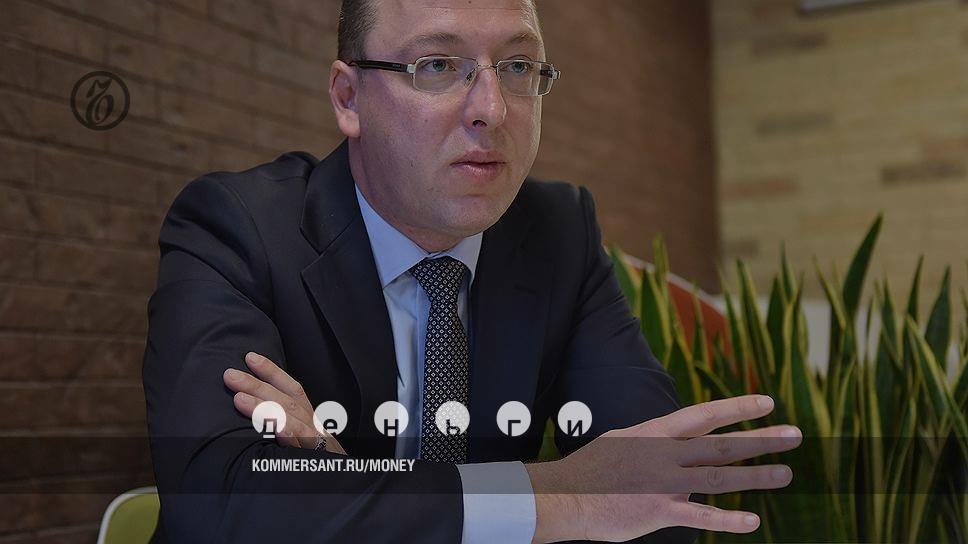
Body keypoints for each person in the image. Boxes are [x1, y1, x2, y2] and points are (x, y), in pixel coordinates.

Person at [141, 0, 803, 542]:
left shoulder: (558, 233)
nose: (493, 107)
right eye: (437, 65)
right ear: (349, 98)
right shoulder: (239, 229)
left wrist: (343, 479)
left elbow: (656, 499)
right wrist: (564, 497)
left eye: (517, 66)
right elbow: (220, 507)